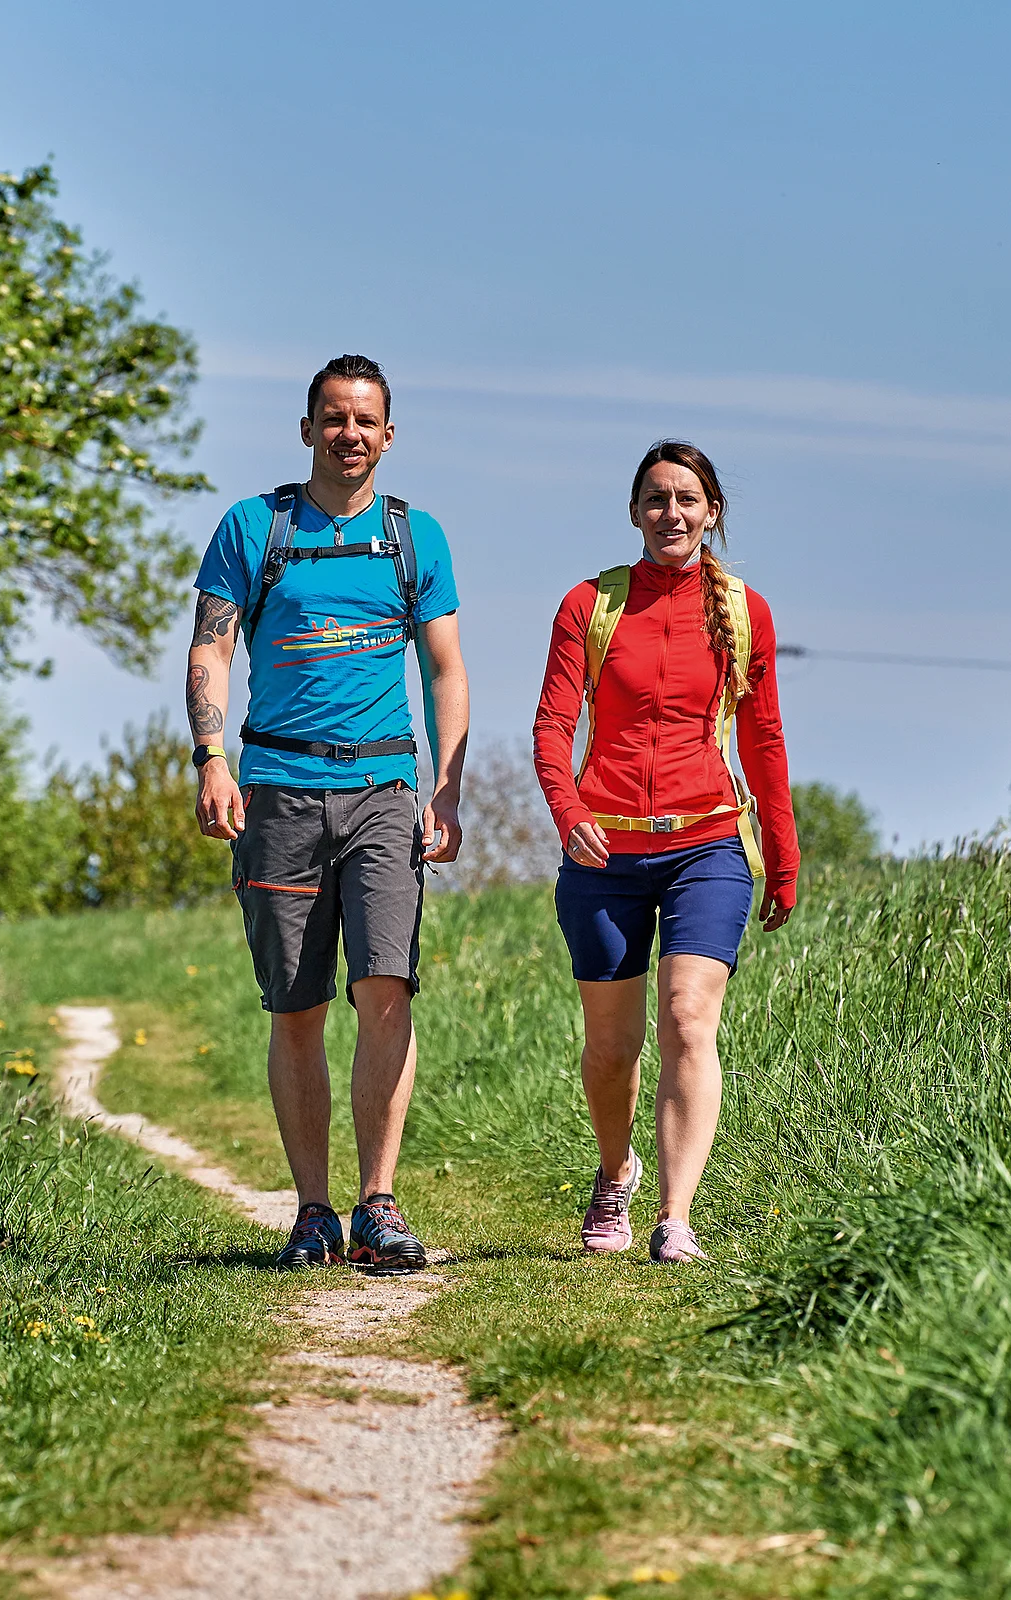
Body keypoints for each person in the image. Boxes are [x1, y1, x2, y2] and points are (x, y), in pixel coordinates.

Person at [185, 354, 470, 1273]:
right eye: (334, 419)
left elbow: (445, 669)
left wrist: (446, 787)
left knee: (387, 989)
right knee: (297, 1005)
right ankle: (314, 1212)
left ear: (389, 435)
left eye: (365, 421)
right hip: (278, 790)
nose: (350, 434)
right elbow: (211, 648)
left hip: (385, 790)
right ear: (307, 429)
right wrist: (212, 758)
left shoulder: (416, 538)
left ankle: (378, 1204)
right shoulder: (252, 527)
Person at [530, 440, 798, 1264]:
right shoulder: (590, 604)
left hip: (708, 844)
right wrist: (568, 810)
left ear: (711, 511)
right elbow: (552, 725)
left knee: (687, 1016)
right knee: (612, 1049)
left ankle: (675, 1217)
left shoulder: (745, 612)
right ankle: (616, 1170)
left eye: (686, 499)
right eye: (655, 499)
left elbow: (763, 738)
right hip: (603, 852)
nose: (670, 513)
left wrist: (782, 856)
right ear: (634, 512)